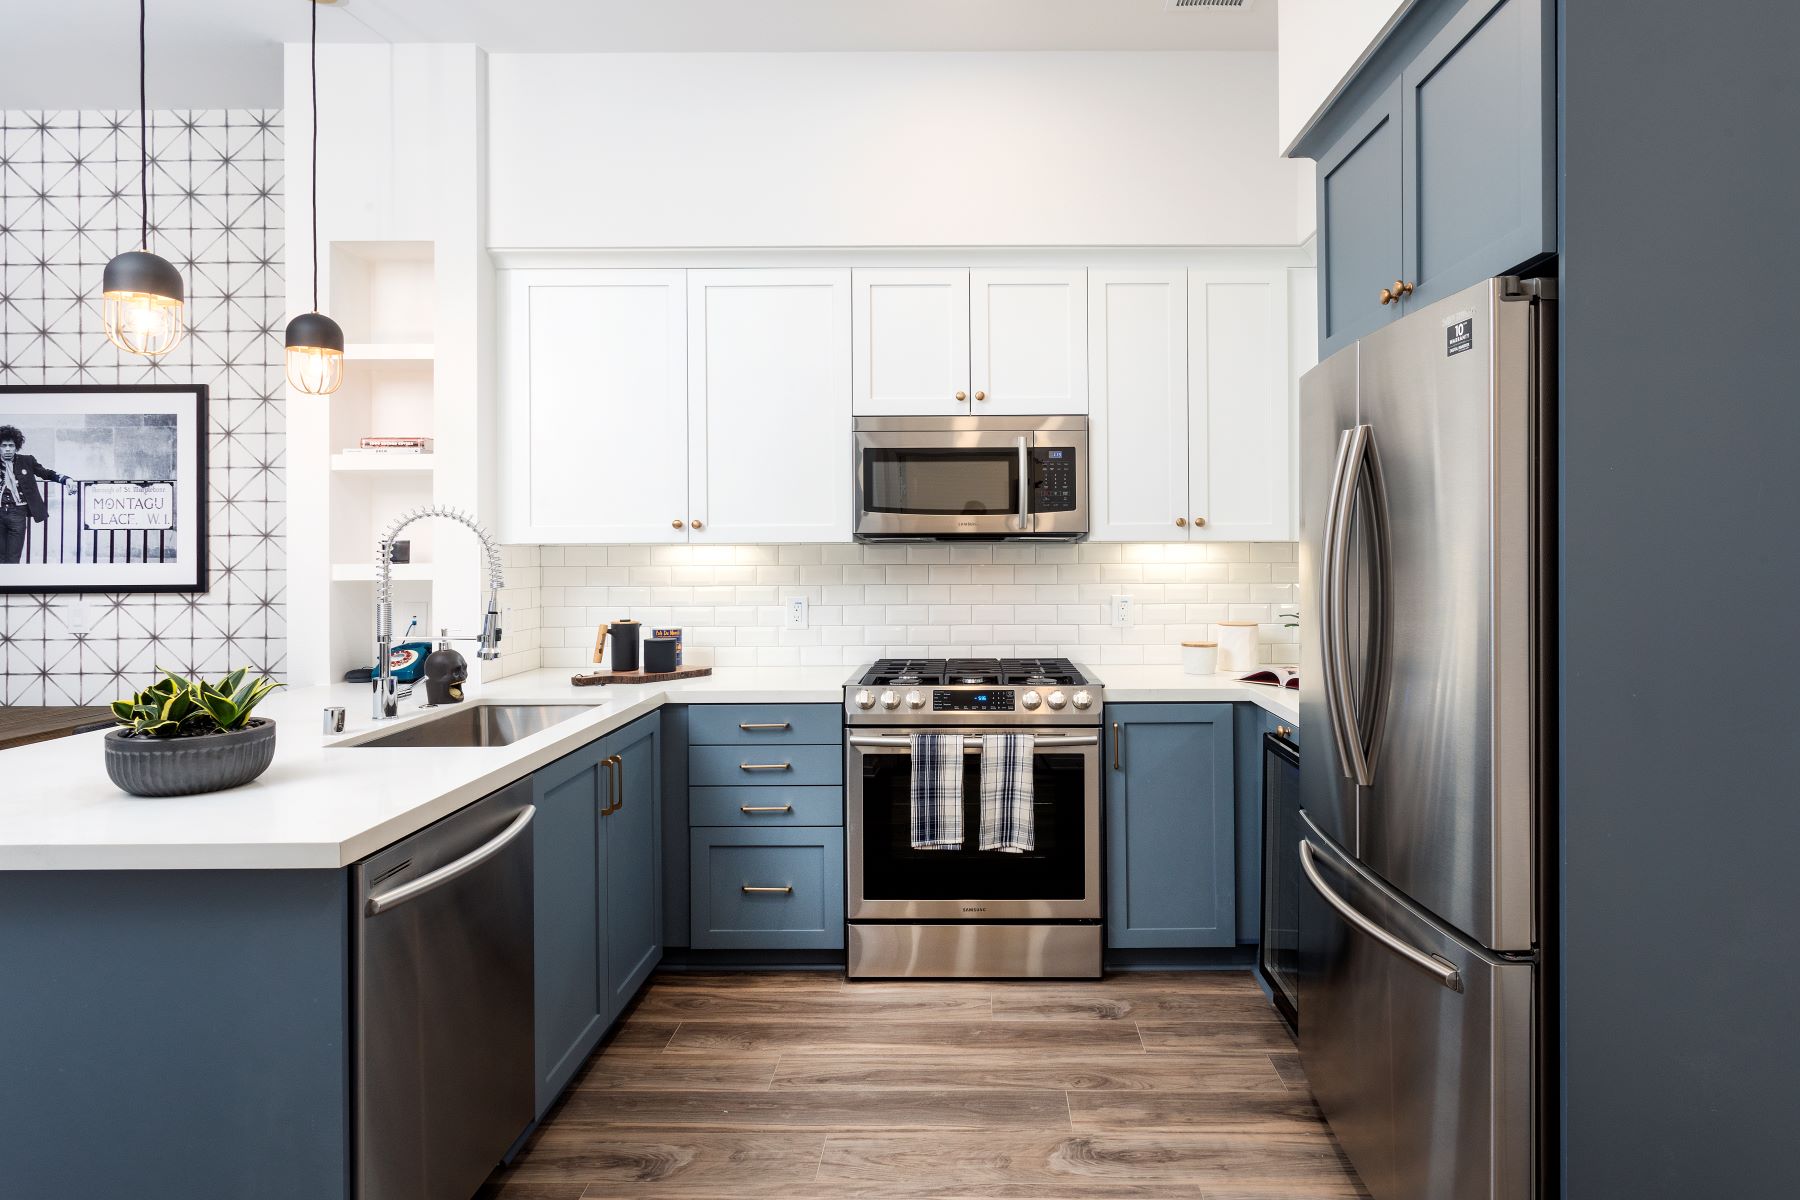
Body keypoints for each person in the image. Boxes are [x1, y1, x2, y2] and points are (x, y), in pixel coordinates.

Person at [0, 425, 78, 565]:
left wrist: (67, 479)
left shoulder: (27, 461)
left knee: (13, 559)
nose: (7, 449)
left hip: (18, 514)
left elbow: (46, 473)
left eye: (11, 445)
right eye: (3, 445)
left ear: (16, 446)